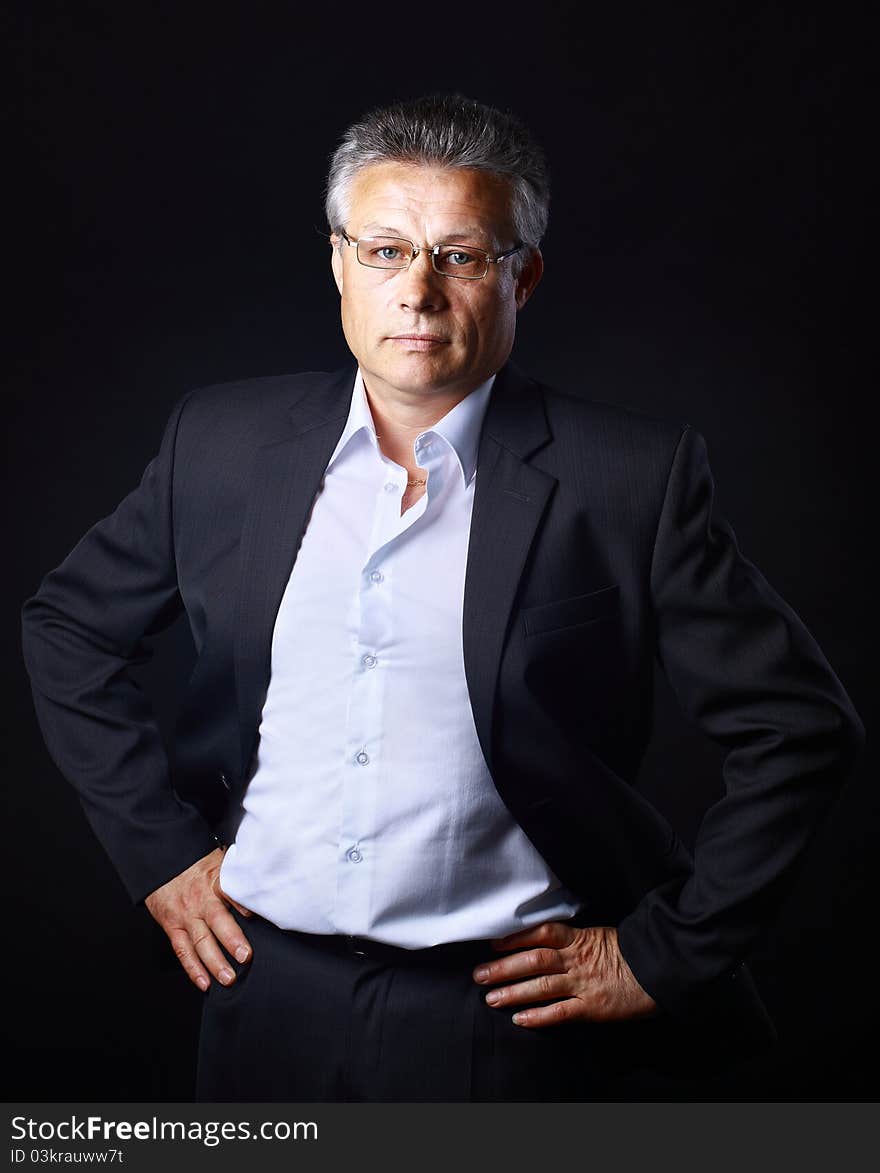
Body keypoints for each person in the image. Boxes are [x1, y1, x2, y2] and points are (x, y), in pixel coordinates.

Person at [21, 93, 864, 1103]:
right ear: (339, 263)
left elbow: (798, 725)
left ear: (522, 276)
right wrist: (158, 852)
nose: (416, 291)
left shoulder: (625, 480)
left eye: (459, 256)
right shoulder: (222, 443)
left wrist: (665, 952)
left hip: (504, 1024)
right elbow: (68, 627)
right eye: (383, 251)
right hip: (260, 998)